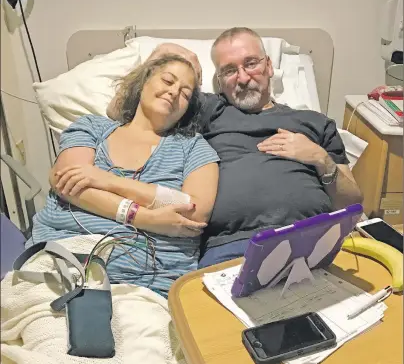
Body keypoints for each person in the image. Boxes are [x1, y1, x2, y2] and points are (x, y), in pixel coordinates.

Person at [108, 28, 363, 268]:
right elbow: (120, 110)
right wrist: (164, 53)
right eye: (229, 70)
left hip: (313, 239)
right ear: (219, 80)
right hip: (231, 246)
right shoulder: (207, 110)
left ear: (269, 66)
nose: (242, 77)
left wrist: (321, 160)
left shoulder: (315, 122)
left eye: (251, 63)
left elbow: (351, 202)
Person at [28, 54, 219, 297]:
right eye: (168, 81)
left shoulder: (193, 147)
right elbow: (66, 182)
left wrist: (105, 180)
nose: (173, 93)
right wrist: (146, 217)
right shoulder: (92, 128)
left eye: (185, 93)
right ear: (144, 83)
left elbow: (193, 209)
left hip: (146, 285)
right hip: (60, 266)